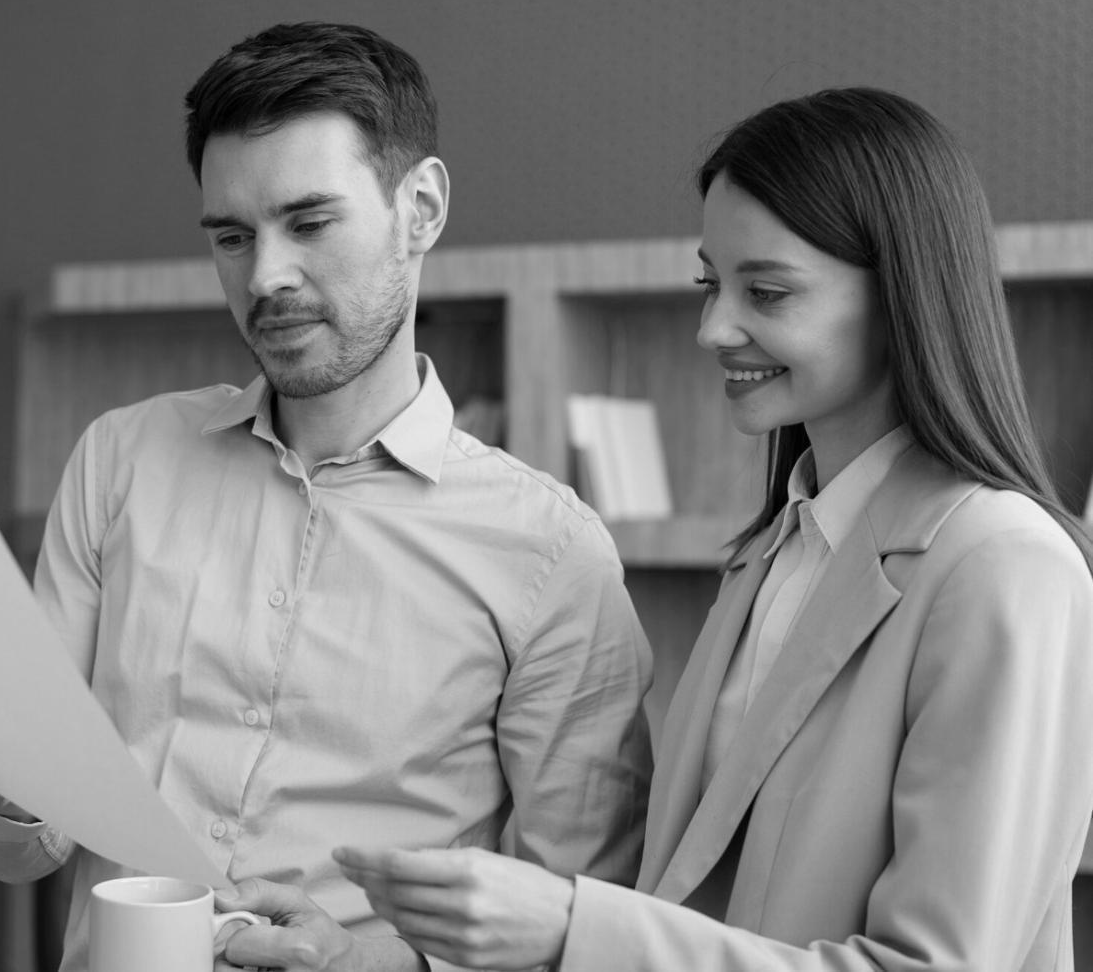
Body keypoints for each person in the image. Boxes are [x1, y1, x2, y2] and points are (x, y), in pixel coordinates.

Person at [0, 21, 653, 972]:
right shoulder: (120, 461)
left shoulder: (551, 553)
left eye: (310, 223)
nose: (265, 276)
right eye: (232, 237)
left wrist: (380, 965)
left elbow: (583, 929)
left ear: (422, 208)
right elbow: (34, 844)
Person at [336, 86, 1093, 970]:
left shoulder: (1004, 567)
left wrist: (572, 929)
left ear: (903, 298)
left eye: (766, 292)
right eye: (711, 283)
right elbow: (686, 905)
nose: (713, 328)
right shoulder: (777, 552)